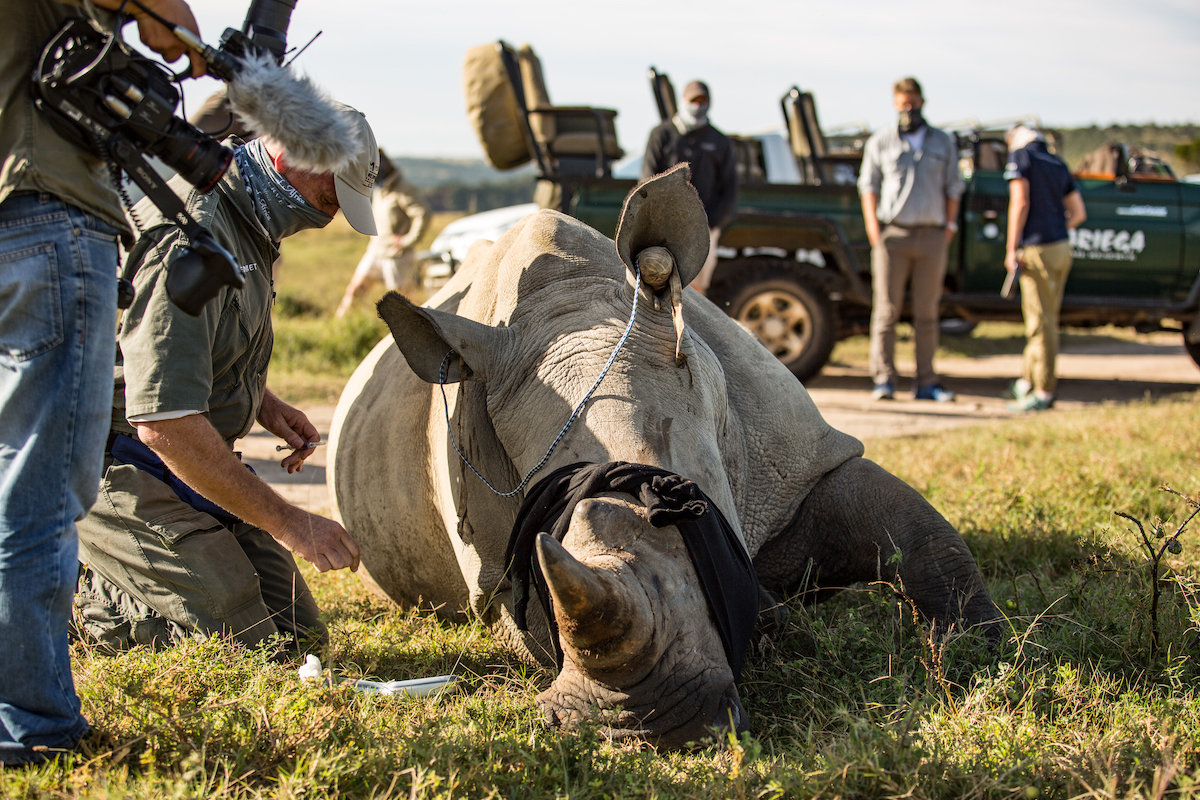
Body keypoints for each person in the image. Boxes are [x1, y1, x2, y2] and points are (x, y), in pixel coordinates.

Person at [72, 106, 378, 657]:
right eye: (331, 197)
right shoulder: (195, 236)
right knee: (248, 643)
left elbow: (182, 350)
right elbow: (164, 422)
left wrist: (261, 401)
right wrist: (291, 523)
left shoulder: (252, 223)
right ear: (290, 155)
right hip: (105, 457)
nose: (329, 217)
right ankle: (78, 584)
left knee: (300, 634)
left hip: (174, 458)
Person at [0, 0, 205, 765]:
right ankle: (32, 726)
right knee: (44, 490)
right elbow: (162, 11)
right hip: (51, 221)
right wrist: (169, 26)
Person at [858, 77, 965, 402]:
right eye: (903, 104)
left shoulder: (943, 142)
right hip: (893, 235)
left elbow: (954, 187)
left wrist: (948, 227)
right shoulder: (881, 141)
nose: (909, 109)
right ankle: (885, 380)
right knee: (886, 311)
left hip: (932, 235)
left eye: (913, 103)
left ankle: (926, 382)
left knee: (927, 313)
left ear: (922, 102)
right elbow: (868, 187)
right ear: (895, 104)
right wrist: (875, 232)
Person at [1002, 125, 1087, 413]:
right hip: (1061, 248)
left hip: (1037, 250)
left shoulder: (1021, 156)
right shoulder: (1056, 161)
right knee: (1042, 317)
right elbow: (1078, 213)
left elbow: (1020, 201)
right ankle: (1026, 383)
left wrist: (1011, 247)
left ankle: (1044, 391)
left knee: (1041, 323)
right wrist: (1056, 227)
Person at [641, 80, 738, 296]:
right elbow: (647, 178)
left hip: (702, 227)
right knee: (658, 280)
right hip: (664, 224)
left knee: (695, 289)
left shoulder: (719, 141)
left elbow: (729, 189)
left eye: (703, 101)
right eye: (693, 100)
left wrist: (711, 223)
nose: (698, 106)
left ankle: (689, 326)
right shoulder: (662, 134)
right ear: (683, 100)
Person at [336, 152, 430, 317]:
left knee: (404, 306)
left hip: (397, 256)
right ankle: (338, 328)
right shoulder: (379, 188)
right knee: (354, 290)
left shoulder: (404, 189)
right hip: (375, 251)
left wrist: (408, 241)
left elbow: (423, 214)